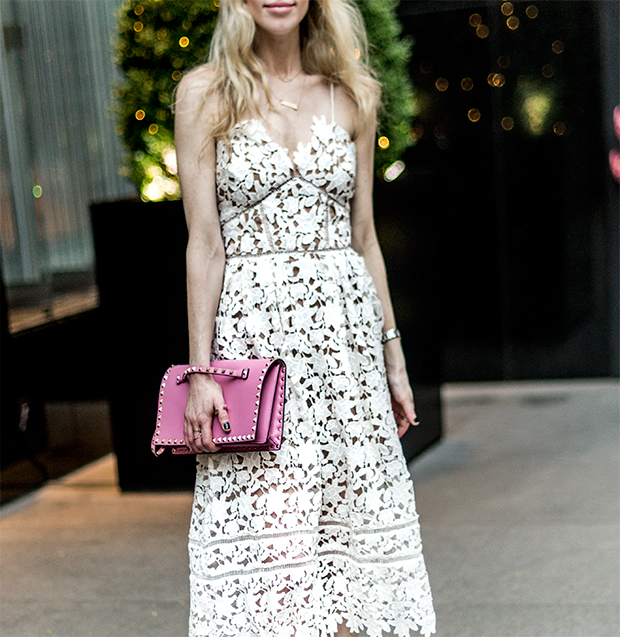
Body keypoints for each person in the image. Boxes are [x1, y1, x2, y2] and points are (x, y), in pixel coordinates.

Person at [173, 1, 436, 635]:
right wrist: (200, 373)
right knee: (272, 561)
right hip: (258, 360)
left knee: (354, 553)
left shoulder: (352, 95)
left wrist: (393, 360)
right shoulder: (205, 94)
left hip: (346, 360)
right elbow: (203, 244)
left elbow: (365, 238)